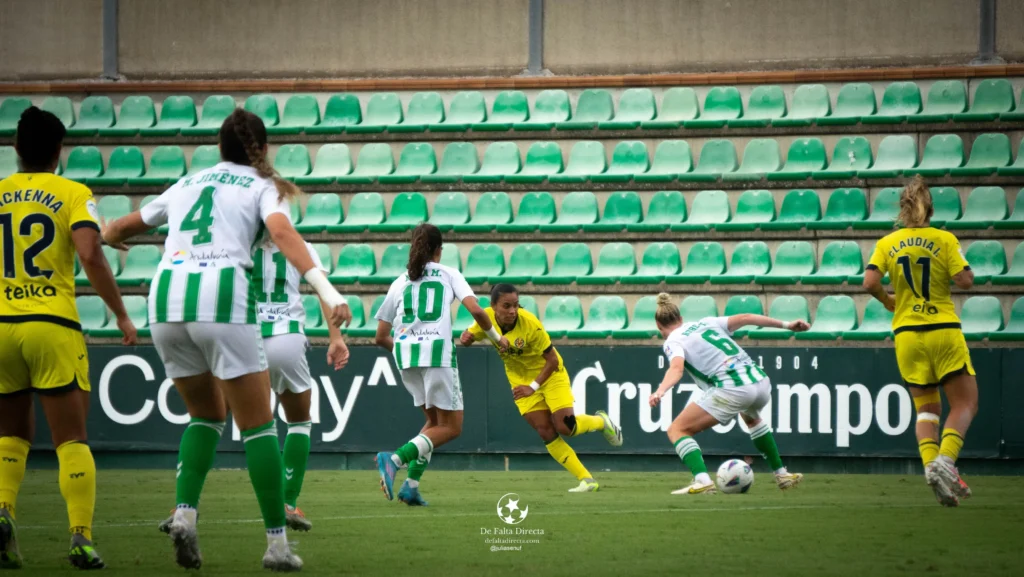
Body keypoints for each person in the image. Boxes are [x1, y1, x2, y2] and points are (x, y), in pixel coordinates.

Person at [102, 108, 350, 571]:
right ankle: (277, 546)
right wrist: (327, 288)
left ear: (219, 147)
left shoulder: (188, 182)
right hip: (220, 295)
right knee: (258, 426)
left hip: (165, 298)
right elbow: (281, 231)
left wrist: (108, 233)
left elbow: (123, 226)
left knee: (205, 415)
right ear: (263, 149)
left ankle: (184, 515)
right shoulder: (263, 185)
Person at [0, 106, 136, 570]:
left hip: (1, 326)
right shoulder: (73, 192)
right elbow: (89, 254)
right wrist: (121, 314)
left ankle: (3, 511)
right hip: (51, 325)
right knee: (71, 439)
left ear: (15, 148)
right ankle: (80, 538)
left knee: (10, 435)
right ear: (59, 151)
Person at [158, 237, 350, 534]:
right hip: (285, 337)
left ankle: (184, 506)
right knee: (299, 420)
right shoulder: (299, 245)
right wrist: (336, 338)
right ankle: (288, 503)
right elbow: (325, 292)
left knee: (207, 419)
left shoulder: (236, 239)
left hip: (241, 335)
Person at [863, 176, 977, 507]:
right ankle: (946, 462)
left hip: (907, 334)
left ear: (903, 209)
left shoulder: (888, 242)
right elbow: (965, 281)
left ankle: (931, 467)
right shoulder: (944, 238)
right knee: (965, 403)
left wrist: (888, 300)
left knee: (926, 409)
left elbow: (869, 282)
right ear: (931, 209)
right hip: (942, 329)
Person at [373, 223, 506, 506]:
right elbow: (477, 310)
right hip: (437, 356)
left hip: (406, 358)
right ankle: (393, 459)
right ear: (439, 249)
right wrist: (497, 338)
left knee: (434, 423)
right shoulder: (449, 274)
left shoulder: (399, 282)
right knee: (451, 427)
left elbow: (381, 336)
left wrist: (406, 349)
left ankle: (411, 486)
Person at [460, 284, 622, 492]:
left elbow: (552, 360)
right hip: (520, 381)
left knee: (566, 427)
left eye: (516, 305)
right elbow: (470, 335)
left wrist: (533, 387)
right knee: (545, 431)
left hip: (550, 375)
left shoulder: (530, 324)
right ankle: (587, 480)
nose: (512, 311)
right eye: (506, 306)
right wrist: (466, 338)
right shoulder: (485, 318)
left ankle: (601, 422)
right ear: (493, 306)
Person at [647, 293, 805, 495]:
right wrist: (787, 325)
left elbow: (676, 369)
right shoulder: (707, 322)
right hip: (760, 382)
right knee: (752, 418)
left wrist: (660, 391)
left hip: (733, 388)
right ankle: (781, 474)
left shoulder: (673, 340)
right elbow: (747, 317)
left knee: (677, 430)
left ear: (659, 326)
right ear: (681, 318)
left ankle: (702, 481)